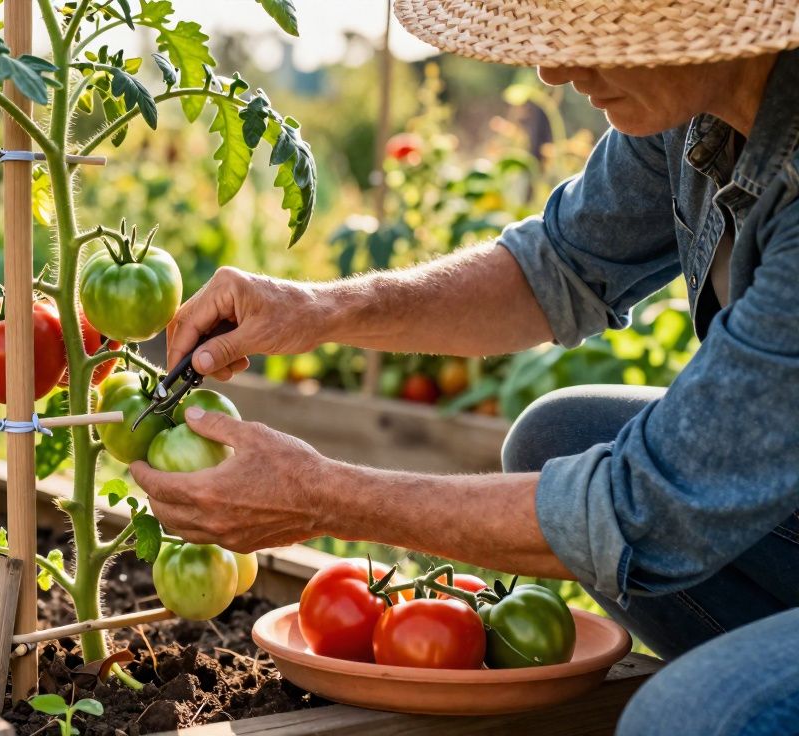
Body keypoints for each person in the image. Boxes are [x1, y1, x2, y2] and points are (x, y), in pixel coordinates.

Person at [128, 1, 799, 733]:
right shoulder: (693, 110)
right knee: (558, 433)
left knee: (683, 717)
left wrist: (324, 498)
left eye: (599, 35)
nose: (553, 66)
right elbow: (558, 266)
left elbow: (645, 508)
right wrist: (321, 309)